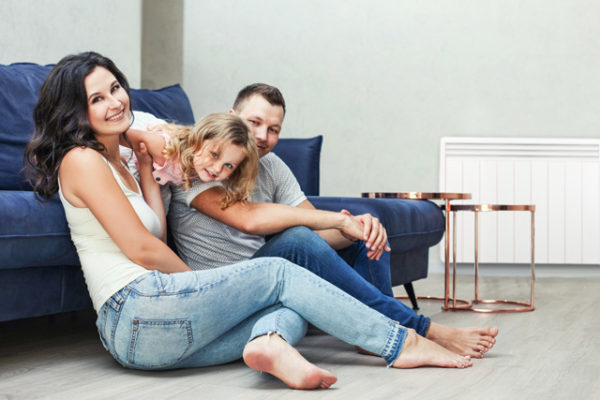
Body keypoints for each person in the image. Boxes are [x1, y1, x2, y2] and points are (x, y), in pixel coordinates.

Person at [24, 51, 472, 391]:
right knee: (279, 272)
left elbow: (155, 227)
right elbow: (141, 249)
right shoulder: (80, 160)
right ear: (75, 111)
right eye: (96, 98)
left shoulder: (123, 155)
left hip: (158, 335)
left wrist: (142, 162)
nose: (115, 102)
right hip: (135, 311)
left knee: (292, 302)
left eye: (116, 88)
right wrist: (199, 287)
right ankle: (402, 343)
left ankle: (270, 342)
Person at [165, 83, 498, 359]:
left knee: (365, 233)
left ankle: (376, 334)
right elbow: (250, 220)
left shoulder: (273, 167)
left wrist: (359, 228)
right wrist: (339, 222)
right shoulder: (200, 161)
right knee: (298, 238)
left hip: (264, 272)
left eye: (274, 129)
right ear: (232, 118)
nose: (263, 136)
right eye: (254, 123)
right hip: (223, 285)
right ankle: (417, 328)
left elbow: (316, 233)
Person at [126, 113, 259, 209]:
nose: (218, 169)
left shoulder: (198, 166)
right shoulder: (164, 147)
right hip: (129, 154)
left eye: (229, 165)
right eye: (214, 155)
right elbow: (118, 136)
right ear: (198, 140)